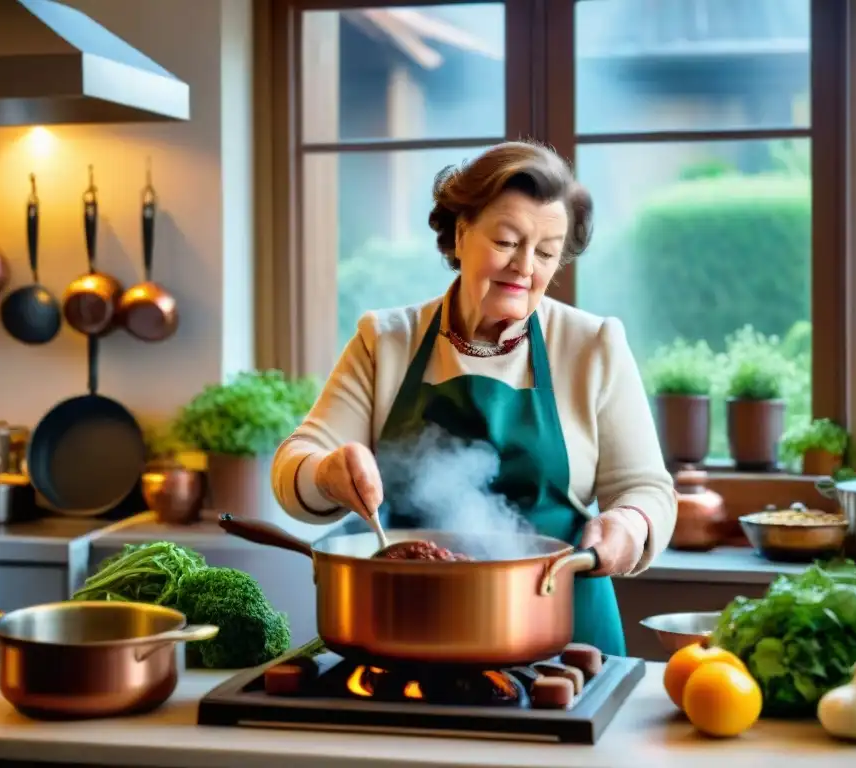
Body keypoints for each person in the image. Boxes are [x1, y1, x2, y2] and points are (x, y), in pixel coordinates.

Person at [272, 140, 676, 657]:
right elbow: (293, 466)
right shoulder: (387, 340)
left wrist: (628, 524)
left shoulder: (592, 345)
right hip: (410, 627)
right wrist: (326, 473)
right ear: (460, 234)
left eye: (547, 252)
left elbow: (648, 489)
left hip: (564, 627)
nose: (526, 267)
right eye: (508, 241)